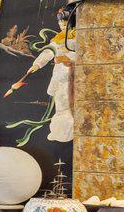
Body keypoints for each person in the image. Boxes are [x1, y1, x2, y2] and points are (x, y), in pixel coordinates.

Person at [6, 8, 77, 143]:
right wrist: (37, 64)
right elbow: (48, 53)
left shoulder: (78, 37)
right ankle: (59, 132)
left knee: (70, 106)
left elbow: (84, 55)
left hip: (73, 75)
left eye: (65, 21)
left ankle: (69, 131)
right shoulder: (58, 39)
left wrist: (67, 58)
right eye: (60, 22)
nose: (61, 25)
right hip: (60, 75)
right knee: (61, 105)